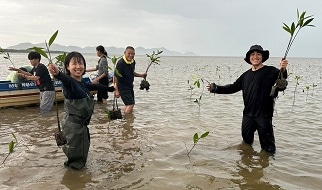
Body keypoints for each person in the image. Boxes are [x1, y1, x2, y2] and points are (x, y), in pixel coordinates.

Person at [207, 45, 288, 154]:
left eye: (258, 54)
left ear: (262, 57)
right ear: (249, 58)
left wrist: (283, 68)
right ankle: (247, 164)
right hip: (248, 115)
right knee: (246, 143)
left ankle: (267, 166)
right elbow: (233, 87)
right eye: (253, 54)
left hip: (264, 115)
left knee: (268, 148)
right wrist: (216, 88)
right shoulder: (245, 76)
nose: (255, 57)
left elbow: (282, 79)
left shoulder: (270, 71)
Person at [48, 52, 114, 170]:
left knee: (79, 156)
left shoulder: (81, 83)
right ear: (67, 66)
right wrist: (58, 73)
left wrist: (111, 88)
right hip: (74, 128)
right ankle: (73, 181)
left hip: (80, 127)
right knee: (75, 162)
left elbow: (96, 86)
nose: (78, 66)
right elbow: (65, 79)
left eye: (81, 63)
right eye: (74, 63)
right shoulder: (70, 83)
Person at [113, 46, 147, 114]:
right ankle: (127, 121)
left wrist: (141, 75)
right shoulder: (121, 63)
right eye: (129, 53)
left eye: (133, 54)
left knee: (130, 104)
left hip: (130, 86)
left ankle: (126, 120)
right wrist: (116, 90)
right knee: (130, 104)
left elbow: (132, 73)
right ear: (125, 53)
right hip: (122, 86)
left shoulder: (133, 62)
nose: (131, 55)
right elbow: (115, 76)